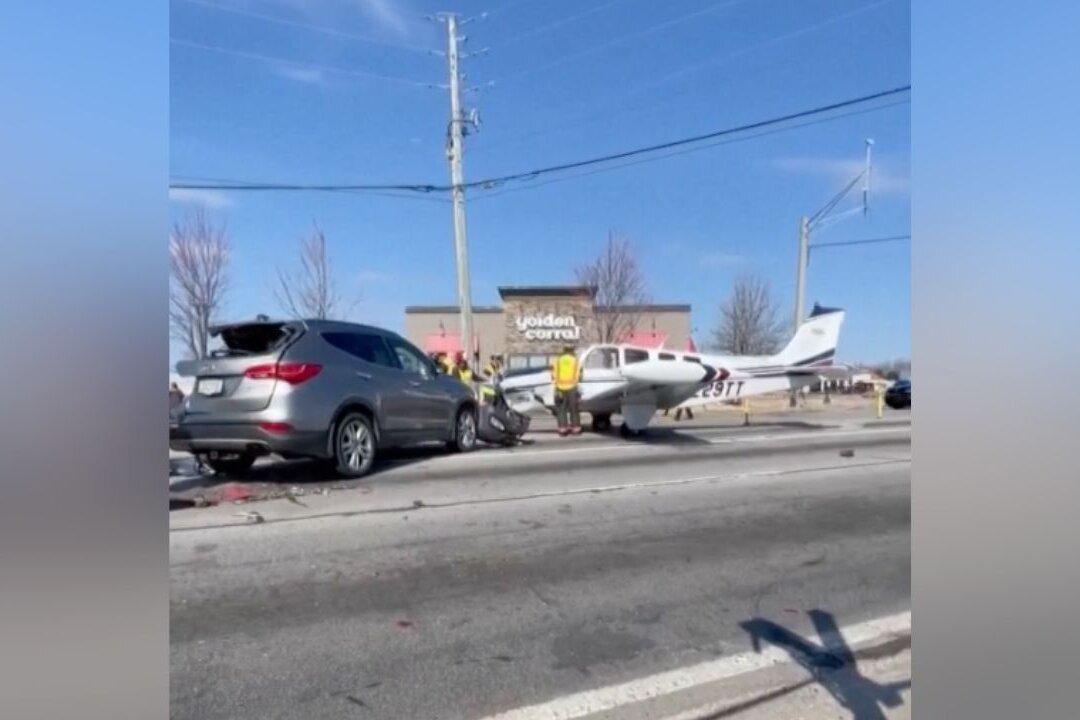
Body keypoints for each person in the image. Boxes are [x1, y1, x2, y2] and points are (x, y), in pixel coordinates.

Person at [551, 344, 582, 436]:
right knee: (574, 409)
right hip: (572, 387)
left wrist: (555, 387)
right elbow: (579, 374)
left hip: (560, 387)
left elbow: (553, 374)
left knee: (561, 409)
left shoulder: (557, 360)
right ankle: (575, 429)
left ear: (564, 350)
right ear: (572, 350)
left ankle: (562, 429)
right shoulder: (576, 361)